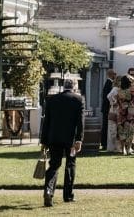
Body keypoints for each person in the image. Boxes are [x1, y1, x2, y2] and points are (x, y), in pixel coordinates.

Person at [40, 78, 84, 207]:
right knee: (70, 165)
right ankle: (68, 195)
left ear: (63, 86)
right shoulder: (78, 100)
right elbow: (80, 122)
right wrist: (79, 139)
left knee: (54, 165)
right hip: (70, 139)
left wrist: (44, 141)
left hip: (54, 137)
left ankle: (48, 190)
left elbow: (46, 122)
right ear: (74, 86)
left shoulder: (52, 100)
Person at [114, 75, 134, 155]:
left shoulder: (118, 91)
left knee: (121, 130)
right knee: (130, 131)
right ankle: (129, 148)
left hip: (121, 111)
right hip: (130, 111)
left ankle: (123, 149)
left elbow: (116, 100)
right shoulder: (132, 90)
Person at [100, 69, 116, 151]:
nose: (115, 76)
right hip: (107, 108)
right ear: (111, 74)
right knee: (106, 126)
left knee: (106, 126)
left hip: (106, 108)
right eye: (114, 74)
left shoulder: (108, 83)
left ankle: (104, 143)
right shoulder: (109, 83)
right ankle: (104, 143)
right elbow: (107, 97)